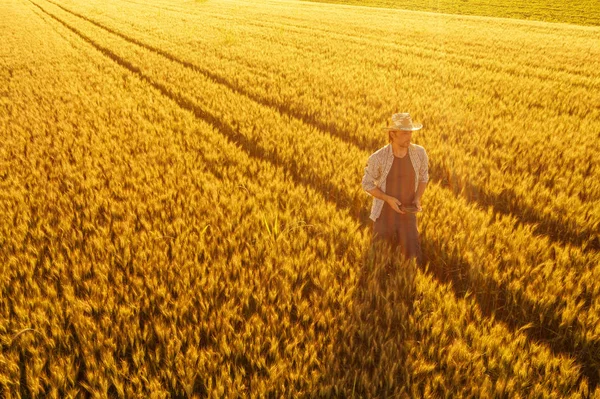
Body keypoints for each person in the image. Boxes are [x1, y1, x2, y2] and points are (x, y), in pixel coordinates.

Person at [361, 112, 429, 265]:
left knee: (413, 260)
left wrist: (417, 198)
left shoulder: (419, 153)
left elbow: (424, 178)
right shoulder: (378, 157)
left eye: (410, 132)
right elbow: (367, 184)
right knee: (377, 260)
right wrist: (388, 199)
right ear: (392, 134)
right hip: (384, 216)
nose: (409, 136)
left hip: (408, 214)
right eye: (405, 133)